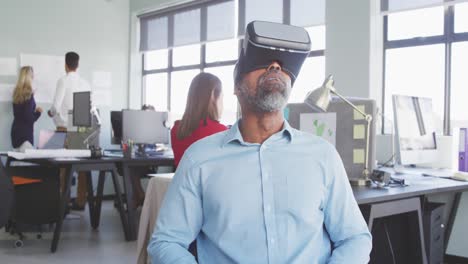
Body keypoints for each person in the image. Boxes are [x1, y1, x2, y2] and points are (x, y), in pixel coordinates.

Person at [148, 21, 372, 263]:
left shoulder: (323, 156)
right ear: (236, 87)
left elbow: (355, 238)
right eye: (264, 62)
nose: (275, 66)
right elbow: (166, 241)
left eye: (282, 66)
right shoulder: (200, 158)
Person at [48, 51, 90, 210]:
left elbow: (55, 106)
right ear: (77, 65)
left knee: (63, 167)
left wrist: (51, 113)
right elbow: (88, 108)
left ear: (65, 64)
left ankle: (63, 201)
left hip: (64, 128)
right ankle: (80, 201)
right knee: (82, 168)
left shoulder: (62, 81)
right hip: (80, 129)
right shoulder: (85, 83)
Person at [171, 72, 228, 167]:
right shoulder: (220, 132)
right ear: (213, 96)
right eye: (222, 98)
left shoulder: (177, 129)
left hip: (181, 182)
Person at [11, 66, 42, 151]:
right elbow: (29, 118)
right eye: (32, 75)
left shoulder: (16, 93)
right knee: (28, 163)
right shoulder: (29, 94)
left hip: (15, 133)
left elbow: (19, 114)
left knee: (17, 162)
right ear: (30, 77)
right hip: (25, 136)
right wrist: (38, 113)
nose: (33, 77)